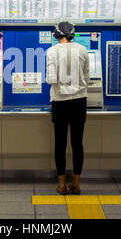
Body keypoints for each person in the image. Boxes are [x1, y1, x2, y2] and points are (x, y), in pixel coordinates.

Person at [46, 21, 89, 195]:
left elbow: (50, 79)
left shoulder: (52, 51)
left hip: (60, 102)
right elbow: (86, 76)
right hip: (79, 101)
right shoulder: (82, 50)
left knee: (60, 143)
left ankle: (62, 185)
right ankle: (76, 184)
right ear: (71, 34)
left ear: (56, 35)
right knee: (77, 143)